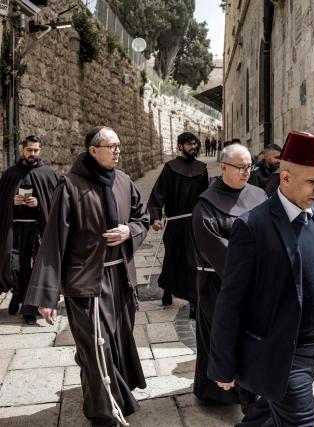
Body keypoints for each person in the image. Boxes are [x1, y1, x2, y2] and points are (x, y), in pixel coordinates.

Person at [210, 131, 314, 427]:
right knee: (301, 422)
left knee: (266, 416)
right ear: (285, 178)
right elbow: (230, 301)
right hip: (281, 353)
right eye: (313, 181)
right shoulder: (252, 227)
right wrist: (223, 365)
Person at [24, 126, 149, 426]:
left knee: (118, 339)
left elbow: (141, 219)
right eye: (111, 146)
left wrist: (129, 231)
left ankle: (115, 397)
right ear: (93, 150)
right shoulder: (68, 186)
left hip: (120, 278)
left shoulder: (124, 181)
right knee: (96, 346)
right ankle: (102, 412)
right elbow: (54, 242)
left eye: (119, 145)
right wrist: (47, 296)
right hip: (86, 284)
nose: (118, 150)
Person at [191, 144, 267, 407]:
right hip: (218, 284)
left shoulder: (259, 195)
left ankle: (250, 389)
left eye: (249, 167)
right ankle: (217, 392)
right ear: (223, 167)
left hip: (254, 283)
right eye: (240, 167)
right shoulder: (206, 205)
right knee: (220, 336)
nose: (246, 172)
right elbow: (215, 248)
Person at [148, 132, 209, 317]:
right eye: (190, 144)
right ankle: (168, 290)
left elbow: (205, 196)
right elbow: (159, 193)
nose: (194, 148)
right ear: (180, 146)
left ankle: (193, 301)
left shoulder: (202, 168)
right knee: (171, 257)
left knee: (192, 261)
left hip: (193, 222)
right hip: (174, 223)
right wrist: (155, 216)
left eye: (195, 144)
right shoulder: (170, 168)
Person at [0, 135, 58, 324]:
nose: (33, 154)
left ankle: (29, 309)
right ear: (22, 150)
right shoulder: (11, 174)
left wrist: (39, 203)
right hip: (15, 230)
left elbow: (55, 203)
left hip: (36, 231)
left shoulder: (47, 174)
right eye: (29, 150)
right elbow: (1, 201)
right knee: (14, 266)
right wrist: (12, 202)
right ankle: (17, 295)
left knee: (33, 269)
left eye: (36, 150)